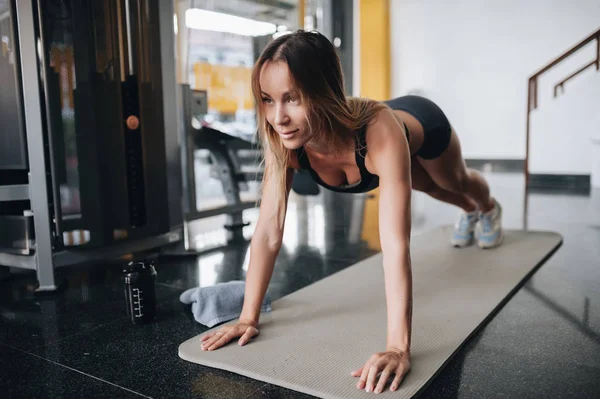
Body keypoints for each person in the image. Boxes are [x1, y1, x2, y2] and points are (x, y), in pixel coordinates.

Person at [199, 30, 503, 394]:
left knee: (451, 182)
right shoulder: (287, 141)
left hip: (423, 123)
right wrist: (248, 316)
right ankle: (469, 213)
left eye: (292, 98)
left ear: (324, 92)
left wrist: (397, 347)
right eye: (267, 99)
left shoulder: (379, 132)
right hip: (376, 138)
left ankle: (485, 207)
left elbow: (394, 245)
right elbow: (267, 231)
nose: (278, 117)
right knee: (430, 187)